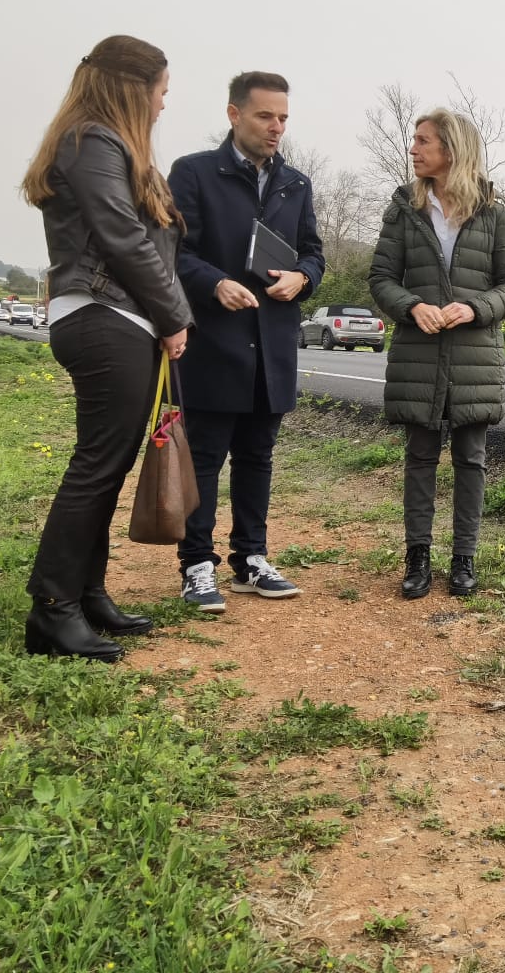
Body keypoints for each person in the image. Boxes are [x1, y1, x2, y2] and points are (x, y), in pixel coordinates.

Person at [19, 35, 192, 663]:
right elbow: (121, 237)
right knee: (96, 466)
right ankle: (53, 609)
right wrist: (176, 317)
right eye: (161, 92)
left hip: (117, 316)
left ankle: (87, 594)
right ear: (131, 87)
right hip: (103, 312)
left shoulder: (103, 143)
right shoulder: (94, 140)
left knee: (108, 464)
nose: (163, 106)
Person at [167, 72, 325, 610]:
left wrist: (303, 278)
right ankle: (196, 565)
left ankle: (251, 559)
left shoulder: (297, 183)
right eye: (265, 116)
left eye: (283, 117)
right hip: (213, 341)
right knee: (206, 457)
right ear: (234, 114)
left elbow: (313, 252)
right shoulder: (193, 173)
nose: (276, 127)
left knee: (258, 455)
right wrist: (214, 283)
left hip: (273, 344)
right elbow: (172, 253)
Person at [368, 108, 505, 599]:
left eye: (423, 141)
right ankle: (417, 558)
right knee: (419, 457)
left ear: (452, 150)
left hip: (474, 357)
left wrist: (476, 309)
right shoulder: (402, 211)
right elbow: (380, 279)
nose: (413, 149)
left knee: (471, 459)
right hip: (417, 352)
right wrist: (412, 306)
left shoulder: (497, 214)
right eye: (414, 140)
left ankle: (464, 559)